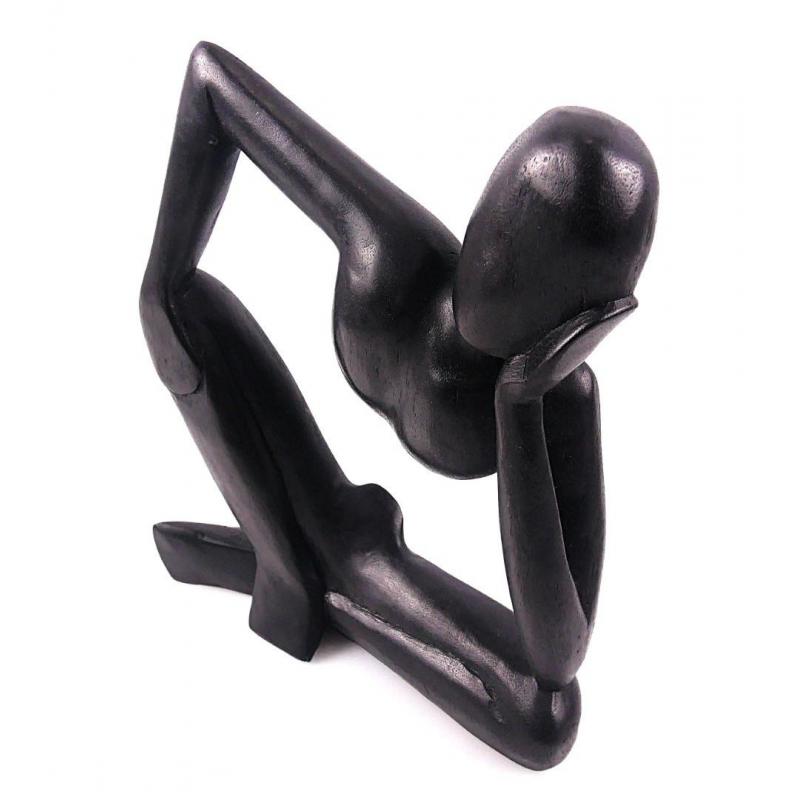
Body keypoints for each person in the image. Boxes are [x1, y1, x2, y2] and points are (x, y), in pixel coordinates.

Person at [141, 42, 658, 769]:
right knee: (175, 306)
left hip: (372, 536)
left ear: (594, 321)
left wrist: (520, 405)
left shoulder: (560, 405)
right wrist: (162, 274)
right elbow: (212, 81)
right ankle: (297, 562)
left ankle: (343, 569)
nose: (499, 276)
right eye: (502, 231)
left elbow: (556, 658)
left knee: (546, 721)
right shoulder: (391, 253)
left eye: (545, 278)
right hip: (312, 485)